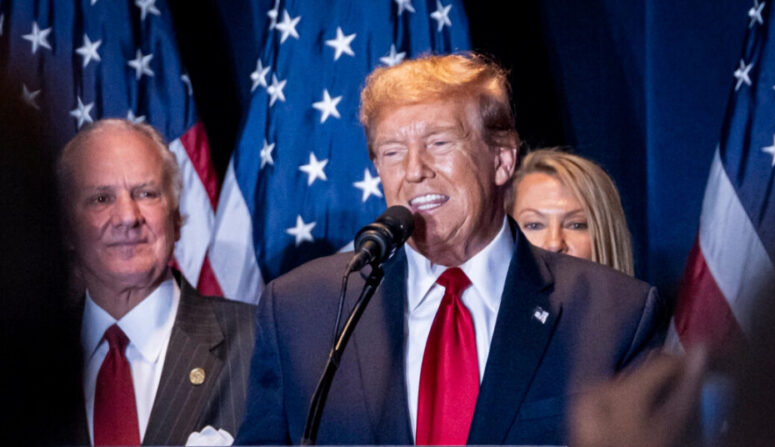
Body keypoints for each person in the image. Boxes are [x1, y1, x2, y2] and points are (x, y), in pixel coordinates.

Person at [237, 53, 668, 445]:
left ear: (502, 160)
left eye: (439, 143)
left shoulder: (615, 314)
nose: (414, 171)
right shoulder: (301, 309)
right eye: (392, 152)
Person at [57, 119, 256, 445]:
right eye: (101, 199)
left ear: (176, 219)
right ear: (66, 230)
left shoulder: (258, 343)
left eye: (146, 194)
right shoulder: (26, 360)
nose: (127, 217)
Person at [507, 148, 634, 276]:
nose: (554, 244)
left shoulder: (641, 295)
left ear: (606, 236)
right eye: (534, 225)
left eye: (576, 225)